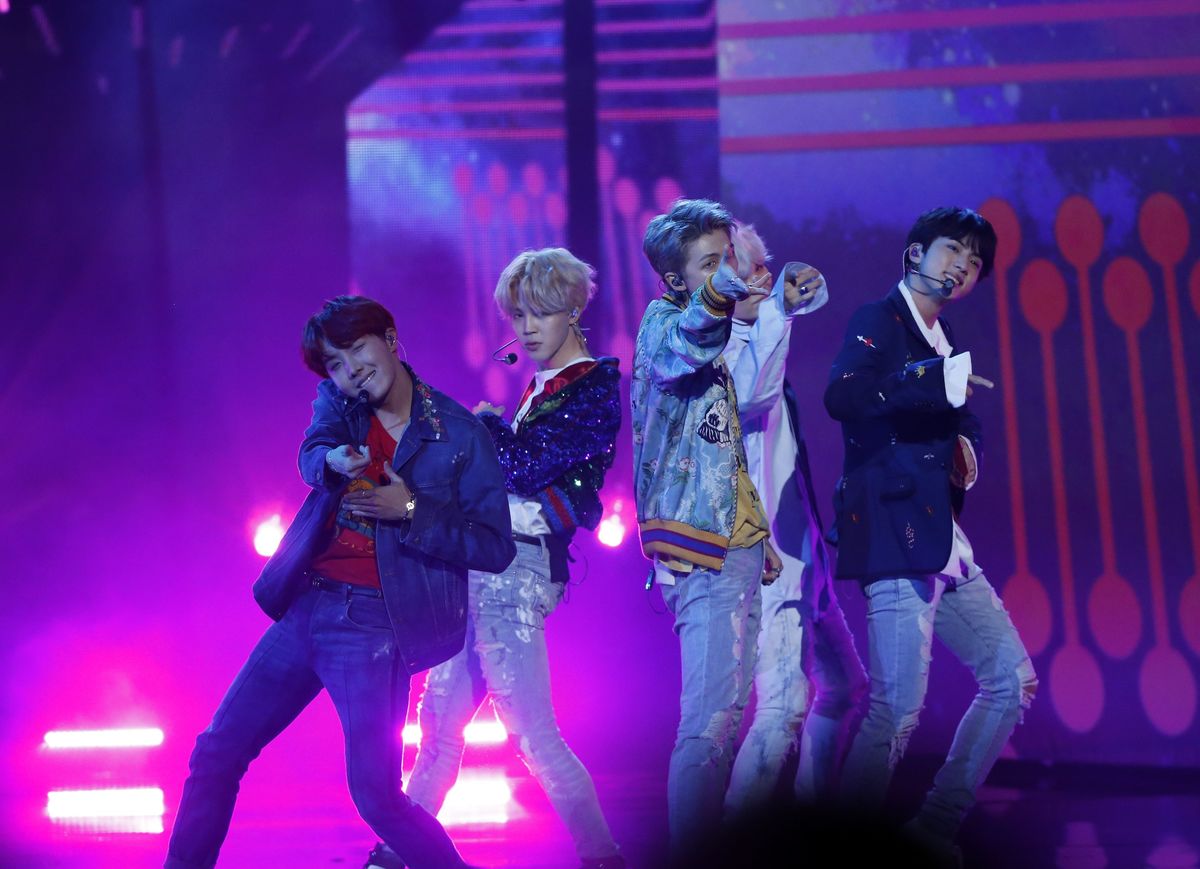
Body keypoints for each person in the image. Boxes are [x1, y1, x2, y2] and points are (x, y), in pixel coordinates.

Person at [165, 295, 515, 869]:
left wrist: (411, 510)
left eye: (356, 349)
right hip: (305, 608)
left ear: (391, 339)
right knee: (215, 753)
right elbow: (312, 449)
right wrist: (329, 461)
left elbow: (494, 546)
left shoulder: (458, 434)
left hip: (374, 627)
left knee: (376, 797)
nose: (350, 370)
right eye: (334, 362)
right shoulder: (340, 404)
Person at [364, 248, 626, 869]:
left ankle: (603, 857)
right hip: (484, 562)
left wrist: (484, 430)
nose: (527, 328)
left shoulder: (593, 386)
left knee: (532, 734)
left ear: (572, 310)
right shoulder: (542, 386)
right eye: (518, 316)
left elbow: (527, 469)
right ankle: (393, 857)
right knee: (438, 733)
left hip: (517, 568)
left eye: (541, 313)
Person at [824, 207, 1038, 859]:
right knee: (895, 708)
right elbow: (844, 396)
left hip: (941, 539)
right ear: (915, 253)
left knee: (1011, 679)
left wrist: (967, 450)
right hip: (893, 531)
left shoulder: (947, 343)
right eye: (953, 251)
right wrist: (929, 381)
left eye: (973, 263)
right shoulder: (879, 320)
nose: (961, 267)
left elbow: (964, 420)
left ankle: (935, 827)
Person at [632, 198, 782, 859]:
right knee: (707, 723)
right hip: (701, 549)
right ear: (676, 278)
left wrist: (758, 532)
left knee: (727, 719)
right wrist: (720, 297)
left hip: (736, 543)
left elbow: (723, 446)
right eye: (710, 263)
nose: (727, 272)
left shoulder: (715, 334)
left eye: (730, 259)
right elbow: (683, 348)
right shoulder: (663, 324)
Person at [721, 225, 868, 814]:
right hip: (768, 558)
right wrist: (778, 309)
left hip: (804, 555)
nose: (761, 280)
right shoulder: (723, 350)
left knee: (843, 687)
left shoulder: (761, 336)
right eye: (746, 271)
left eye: (762, 269)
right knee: (782, 705)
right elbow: (750, 396)